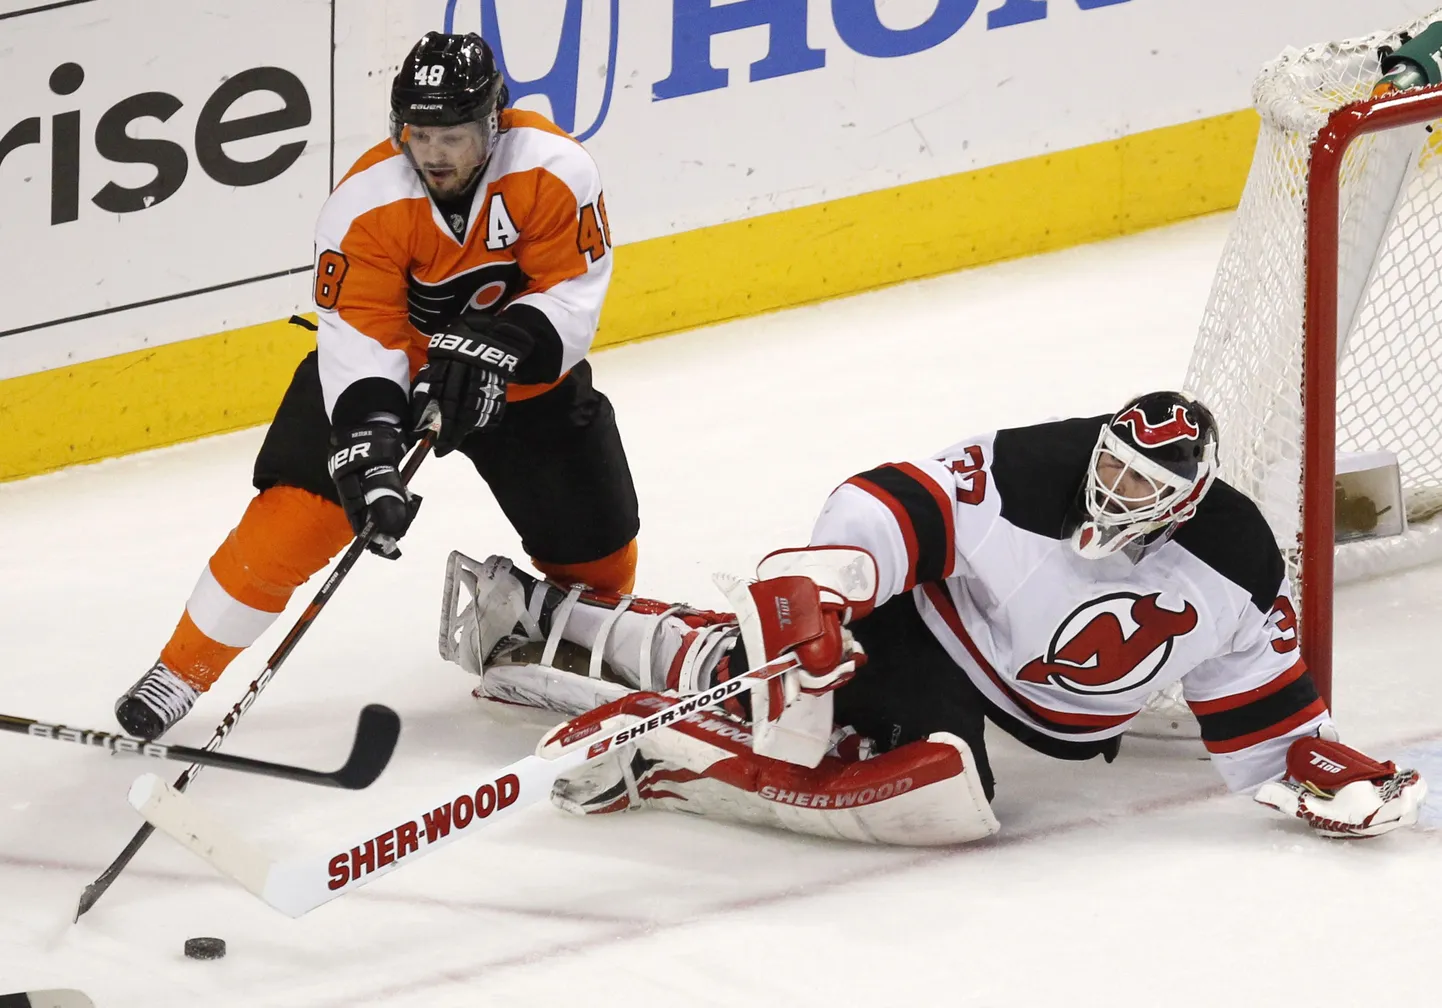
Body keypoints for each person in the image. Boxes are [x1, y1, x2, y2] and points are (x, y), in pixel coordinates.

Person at [439, 391, 1426, 844]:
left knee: (919, 774)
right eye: (1110, 464)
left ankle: (668, 734)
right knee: (924, 776)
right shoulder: (1028, 465)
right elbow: (887, 502)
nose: (1112, 489)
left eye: (1141, 481)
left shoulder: (1237, 557)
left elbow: (1258, 710)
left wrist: (1309, 764)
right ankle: (560, 634)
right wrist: (821, 593)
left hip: (1033, 695)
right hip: (933, 625)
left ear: (1189, 493)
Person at [115, 32, 640, 740]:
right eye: (419, 133)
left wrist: (498, 349)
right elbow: (361, 335)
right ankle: (180, 670)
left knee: (596, 550)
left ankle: (575, 643)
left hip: (520, 385)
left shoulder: (553, 170)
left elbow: (573, 295)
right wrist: (370, 441)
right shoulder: (366, 202)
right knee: (297, 515)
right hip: (397, 372)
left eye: (452, 134)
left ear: (493, 121)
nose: (433, 153)